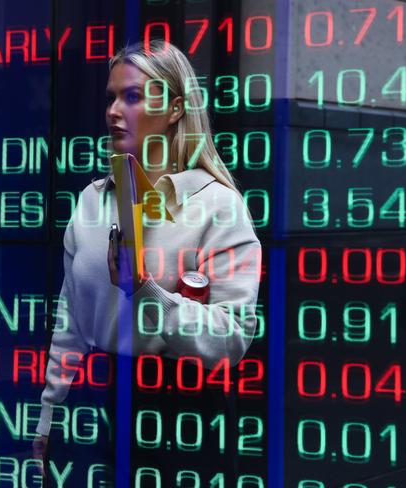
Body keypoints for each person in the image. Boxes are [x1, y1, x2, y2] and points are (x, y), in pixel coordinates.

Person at [33, 40, 262, 486]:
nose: (114, 111)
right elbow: (70, 326)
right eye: (111, 97)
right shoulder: (93, 201)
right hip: (92, 409)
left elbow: (232, 338)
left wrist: (147, 292)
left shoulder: (217, 206)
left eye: (132, 96)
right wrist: (47, 420)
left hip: (178, 420)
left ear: (175, 108)